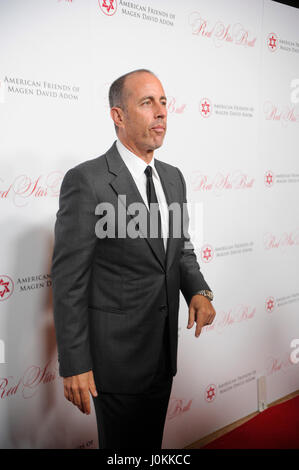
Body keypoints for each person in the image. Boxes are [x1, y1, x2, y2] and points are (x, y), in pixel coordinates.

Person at [51, 69, 216, 449]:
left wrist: (198, 289)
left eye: (163, 102)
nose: (160, 112)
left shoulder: (173, 178)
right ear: (118, 116)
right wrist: (75, 363)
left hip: (162, 351)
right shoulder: (87, 181)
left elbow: (179, 247)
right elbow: (69, 280)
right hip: (115, 361)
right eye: (146, 102)